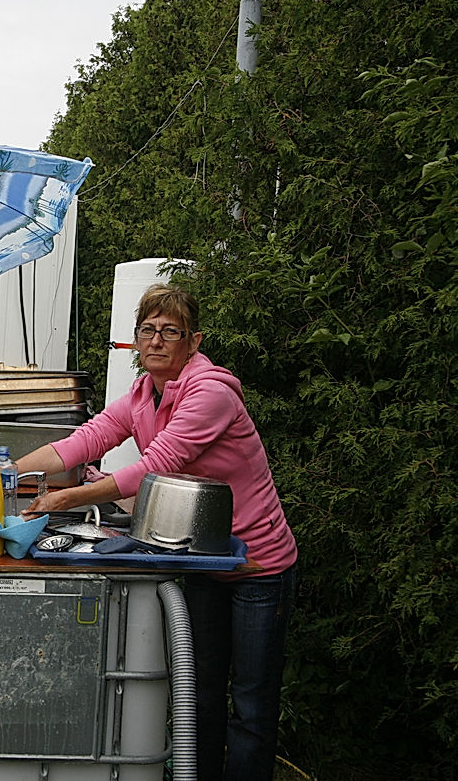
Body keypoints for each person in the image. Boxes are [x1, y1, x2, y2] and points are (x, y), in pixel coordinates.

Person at [18, 283, 298, 781]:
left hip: (258, 563)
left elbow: (156, 465)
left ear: (193, 341)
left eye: (171, 331)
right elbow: (87, 439)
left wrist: (66, 498)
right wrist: (4, 469)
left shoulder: (210, 394)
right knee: (200, 693)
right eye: (147, 330)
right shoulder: (144, 394)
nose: (156, 340)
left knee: (251, 704)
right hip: (203, 556)